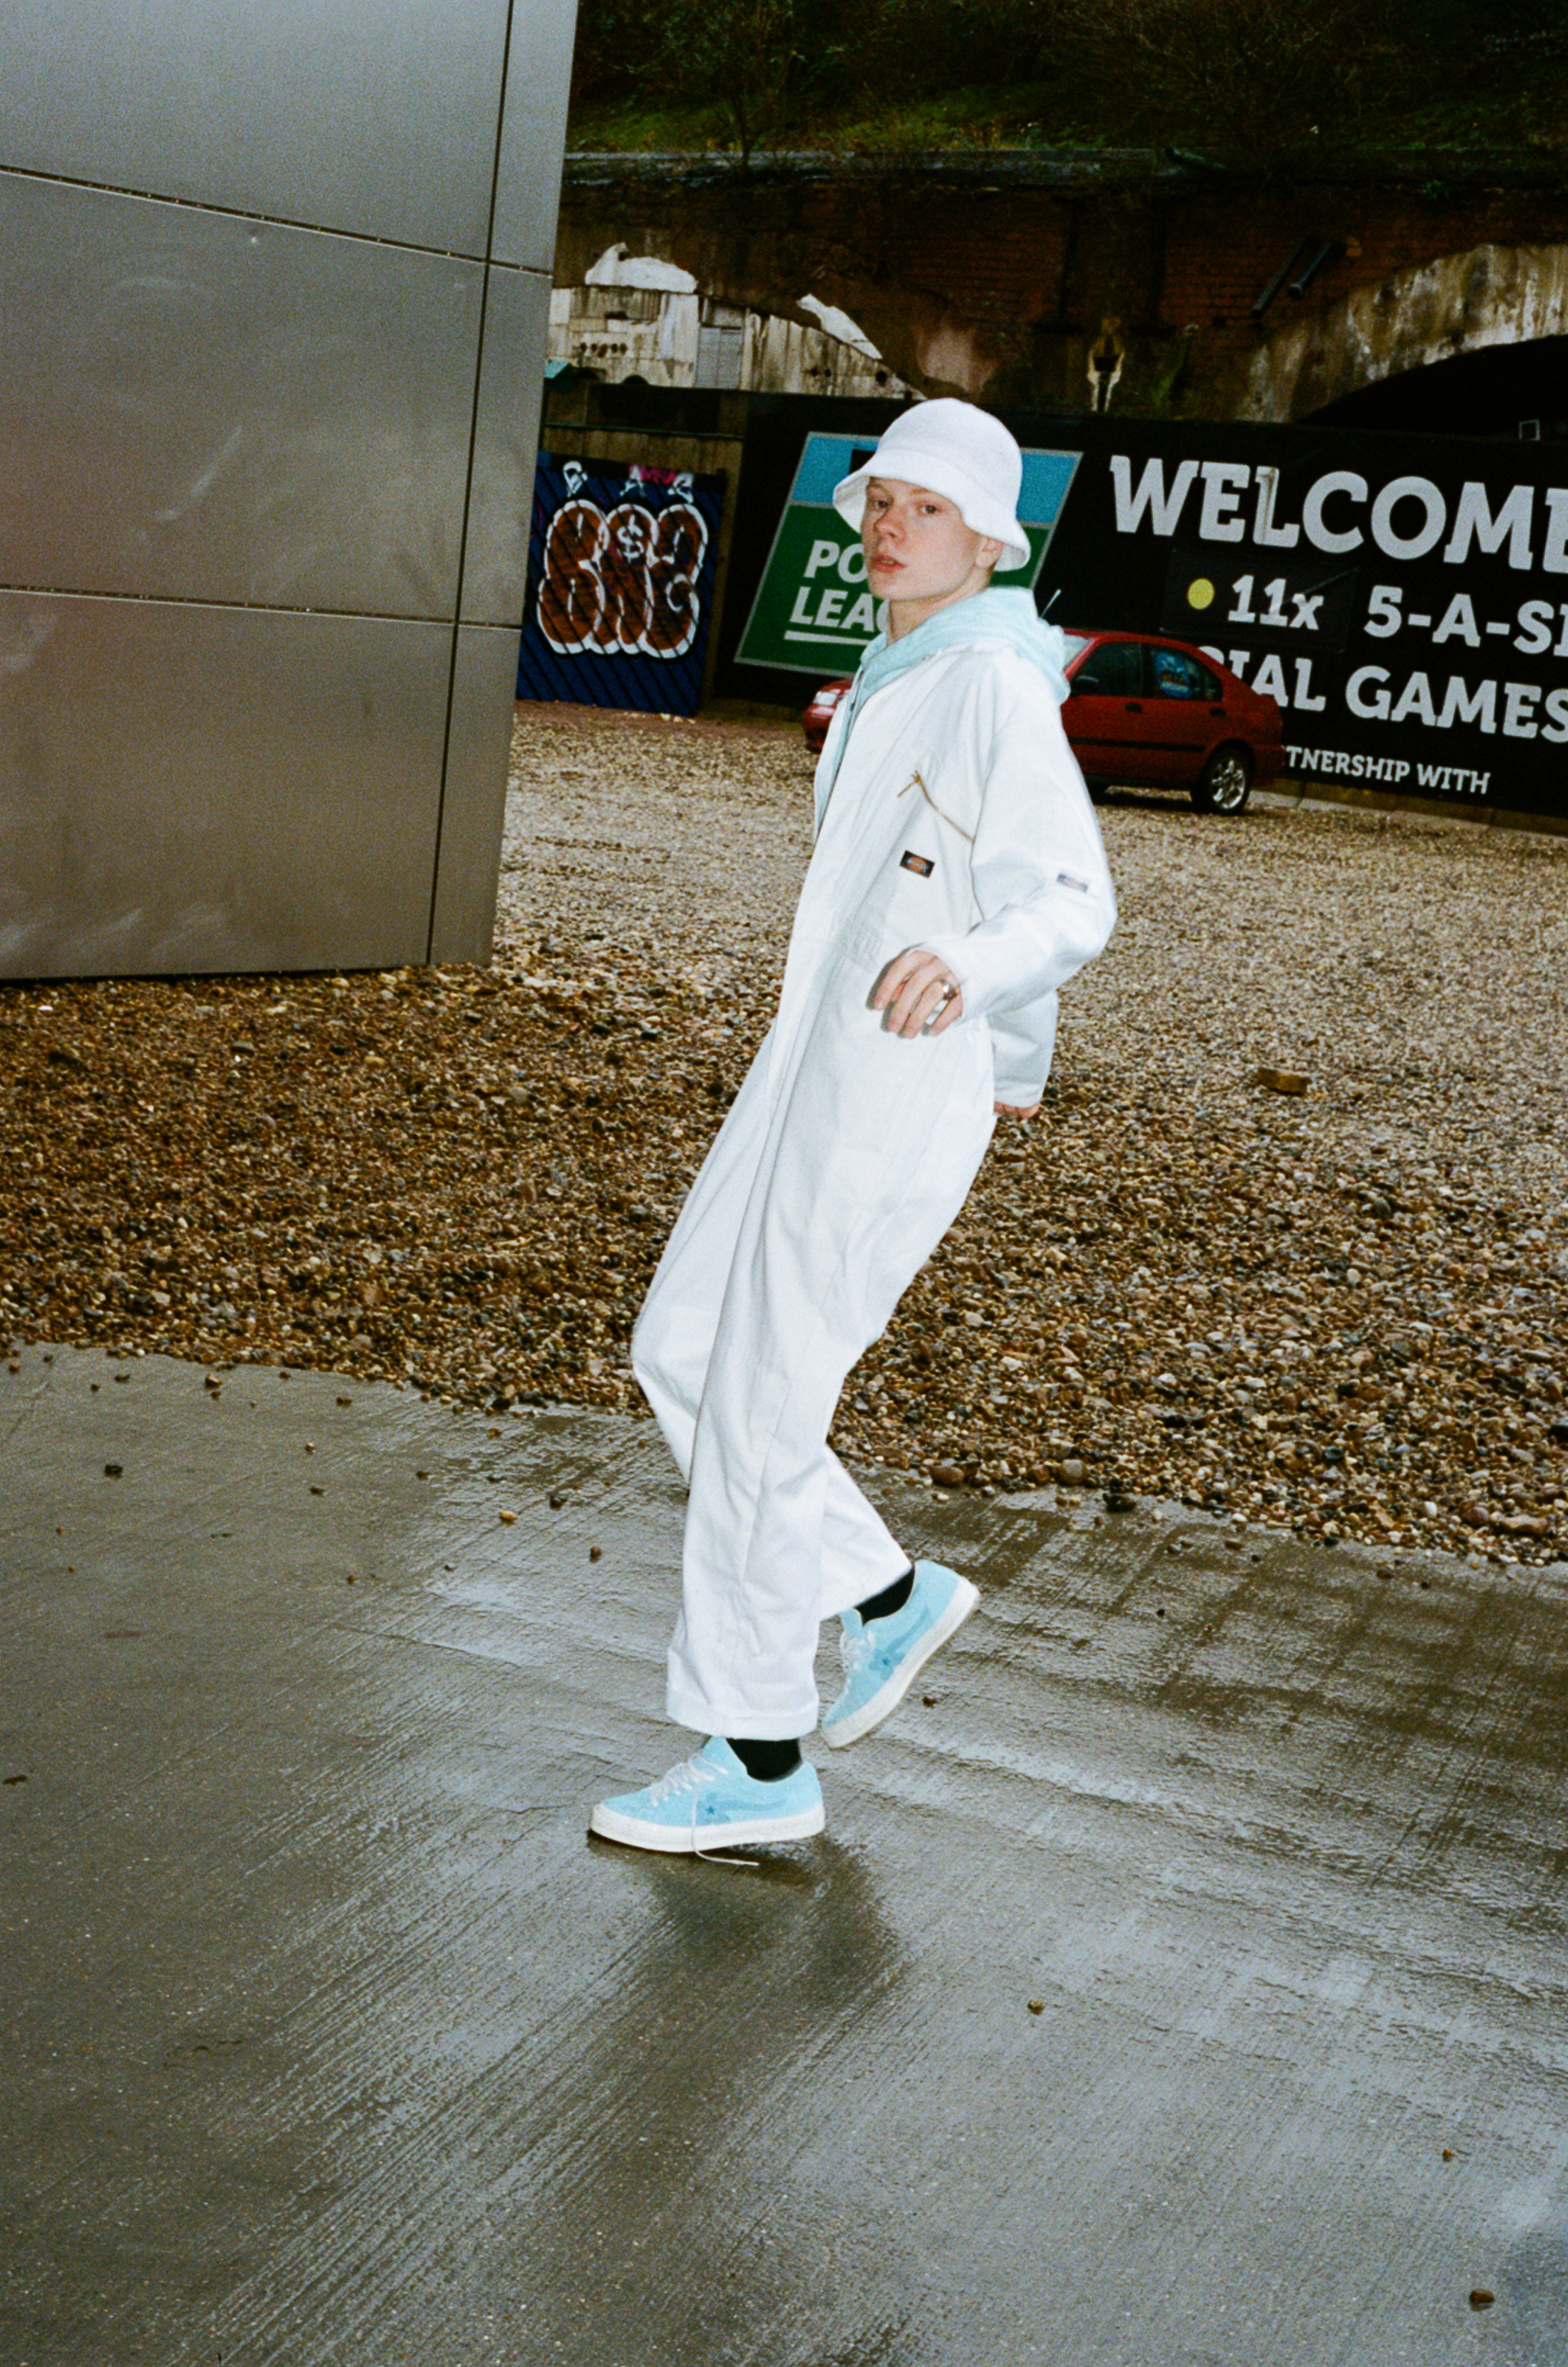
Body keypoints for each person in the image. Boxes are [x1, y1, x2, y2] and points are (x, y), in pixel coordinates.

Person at [590, 400, 1116, 1853]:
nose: (894, 526)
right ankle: (887, 1599)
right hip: (815, 1065)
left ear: (986, 539)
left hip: (884, 1081)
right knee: (683, 1346)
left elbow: (1071, 897)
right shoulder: (908, 664)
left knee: (760, 1396)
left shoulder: (989, 683)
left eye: (928, 510)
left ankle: (759, 1759)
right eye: (883, 502)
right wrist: (1007, 1042)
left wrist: (984, 985)